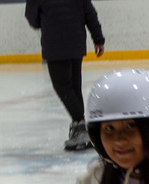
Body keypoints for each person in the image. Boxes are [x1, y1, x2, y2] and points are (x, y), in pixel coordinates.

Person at [25, 0, 105, 152]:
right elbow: (90, 13)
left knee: (63, 87)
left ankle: (81, 126)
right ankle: (80, 126)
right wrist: (98, 39)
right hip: (76, 42)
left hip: (55, 45)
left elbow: (33, 19)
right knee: (74, 87)